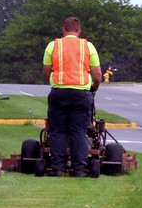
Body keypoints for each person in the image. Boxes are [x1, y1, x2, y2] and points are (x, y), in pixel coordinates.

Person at [41, 16, 102, 177]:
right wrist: (94, 87)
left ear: (63, 29)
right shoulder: (88, 46)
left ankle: (58, 168)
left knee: (58, 131)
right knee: (79, 131)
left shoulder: (52, 46)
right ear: (79, 31)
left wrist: (55, 81)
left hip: (58, 94)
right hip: (81, 94)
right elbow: (97, 73)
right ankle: (80, 169)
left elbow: (46, 70)